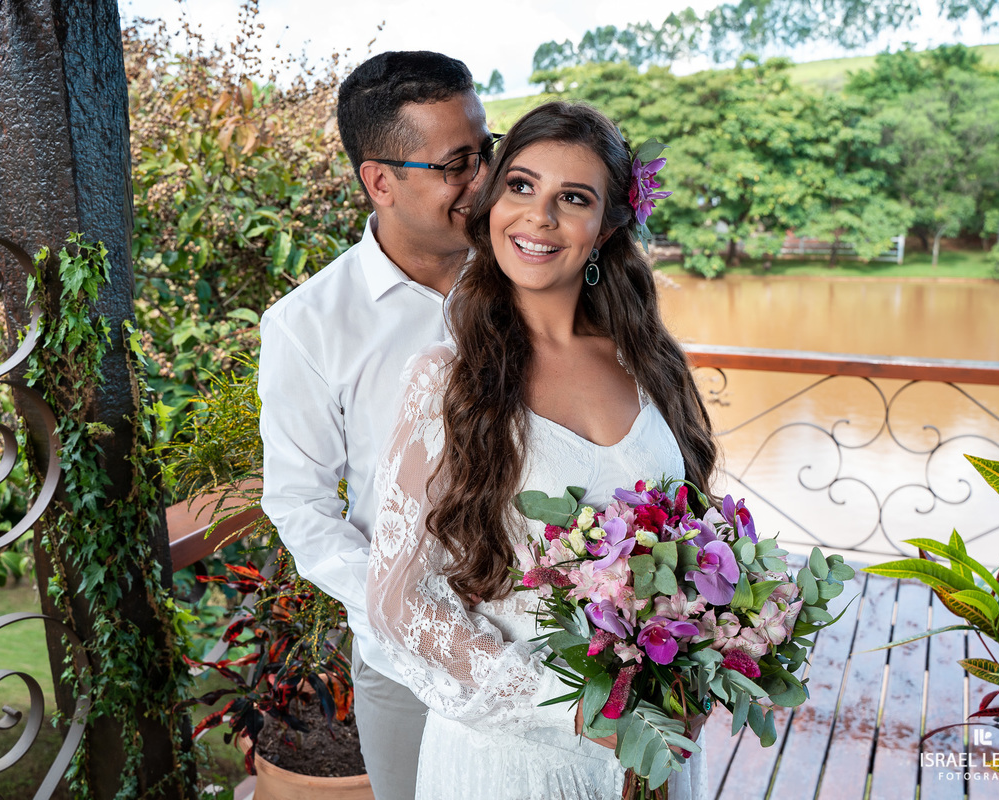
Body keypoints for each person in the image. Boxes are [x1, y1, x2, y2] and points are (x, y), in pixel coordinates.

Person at [367, 101, 718, 799]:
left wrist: (704, 661)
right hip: (514, 762)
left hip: (656, 742)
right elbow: (397, 602)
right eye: (521, 186)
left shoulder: (648, 362)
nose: (538, 217)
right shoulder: (447, 381)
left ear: (609, 224)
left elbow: (693, 539)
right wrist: (578, 709)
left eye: (574, 198)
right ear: (492, 200)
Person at [257, 51, 494, 800]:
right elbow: (297, 503)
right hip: (407, 668)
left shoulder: (532, 276)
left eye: (485, 151)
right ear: (379, 180)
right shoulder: (308, 326)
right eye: (456, 164)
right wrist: (405, 610)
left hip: (557, 645)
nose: (482, 181)